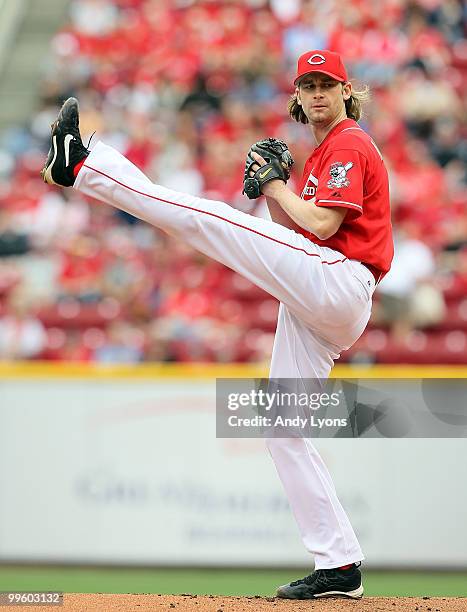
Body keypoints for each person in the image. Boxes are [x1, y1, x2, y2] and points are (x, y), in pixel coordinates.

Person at [41, 49, 393, 599]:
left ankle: (83, 165)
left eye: (329, 83)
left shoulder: (348, 141)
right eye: (308, 85)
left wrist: (273, 190)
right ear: (297, 97)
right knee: (282, 427)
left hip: (340, 282)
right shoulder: (326, 150)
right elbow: (306, 237)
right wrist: (273, 196)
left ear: (349, 92)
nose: (318, 93)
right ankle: (340, 565)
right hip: (325, 296)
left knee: (217, 220)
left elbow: (322, 224)